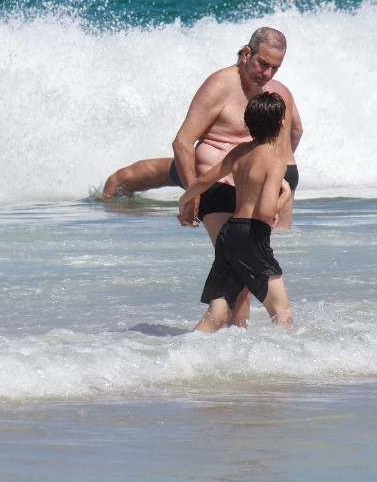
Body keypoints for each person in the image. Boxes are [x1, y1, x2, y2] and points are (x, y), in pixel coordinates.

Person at [102, 27, 303, 232]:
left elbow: (296, 131)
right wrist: (193, 194)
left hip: (250, 187)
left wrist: (268, 180)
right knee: (154, 174)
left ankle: (118, 184)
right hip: (212, 180)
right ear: (246, 54)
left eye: (275, 68)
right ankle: (113, 188)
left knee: (270, 254)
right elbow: (182, 142)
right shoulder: (220, 85)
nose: (267, 73)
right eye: (263, 64)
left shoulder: (274, 91)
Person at [178, 92, 294, 333]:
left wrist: (184, 200)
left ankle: (183, 356)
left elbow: (205, 180)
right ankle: (285, 367)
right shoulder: (274, 162)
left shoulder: (239, 152)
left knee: (218, 313)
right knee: (283, 314)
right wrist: (286, 194)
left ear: (248, 124)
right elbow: (265, 209)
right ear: (282, 125)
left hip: (229, 234)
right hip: (252, 237)